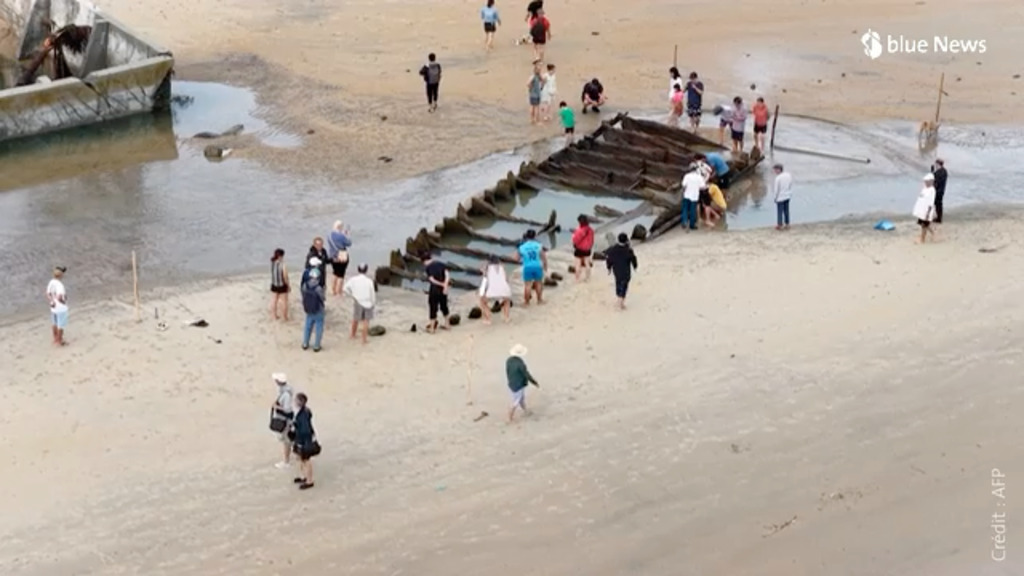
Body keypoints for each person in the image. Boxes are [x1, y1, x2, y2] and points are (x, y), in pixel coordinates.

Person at [291, 392, 319, 490]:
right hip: (302, 440)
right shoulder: (304, 412)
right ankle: (304, 476)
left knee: (306, 460)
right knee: (301, 459)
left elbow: (305, 430)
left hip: (304, 441)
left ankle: (309, 480)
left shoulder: (302, 415)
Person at [343, 263, 376, 344]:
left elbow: (345, 288)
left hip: (358, 301)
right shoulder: (369, 281)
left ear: (358, 269)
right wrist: (373, 303)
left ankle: (352, 335)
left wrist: (352, 294)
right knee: (366, 321)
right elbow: (372, 293)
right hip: (367, 301)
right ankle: (364, 339)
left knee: (355, 319)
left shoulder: (353, 279)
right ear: (366, 270)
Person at [505, 344, 539, 423]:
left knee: (521, 398)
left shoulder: (509, 360)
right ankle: (509, 416)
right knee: (516, 400)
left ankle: (526, 411)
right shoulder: (520, 363)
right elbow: (526, 374)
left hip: (511, 383)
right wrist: (534, 382)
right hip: (519, 384)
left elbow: (507, 371)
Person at [604, 233, 638, 309]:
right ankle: (620, 303)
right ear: (626, 240)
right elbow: (633, 259)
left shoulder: (613, 249)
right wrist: (635, 267)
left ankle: (619, 299)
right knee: (624, 286)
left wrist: (609, 268)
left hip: (616, 271)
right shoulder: (628, 250)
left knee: (618, 283)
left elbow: (609, 259)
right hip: (625, 272)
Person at [515, 229, 547, 305]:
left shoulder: (522, 247)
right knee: (539, 283)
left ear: (526, 236)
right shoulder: (539, 245)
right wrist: (545, 265)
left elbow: (516, 258)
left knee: (527, 285)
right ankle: (539, 300)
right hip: (537, 266)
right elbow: (543, 257)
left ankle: (526, 302)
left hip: (527, 267)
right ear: (535, 236)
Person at [270, 373, 295, 469]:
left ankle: (286, 461)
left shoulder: (285, 394)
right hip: (287, 420)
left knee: (286, 441)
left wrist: (277, 407)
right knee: (289, 440)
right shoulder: (285, 391)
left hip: (285, 421)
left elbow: (287, 409)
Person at [479, 256, 512, 324]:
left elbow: (485, 281)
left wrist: (482, 293)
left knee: (483, 302)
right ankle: (506, 317)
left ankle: (488, 319)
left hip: (492, 291)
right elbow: (507, 280)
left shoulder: (487, 268)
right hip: (505, 290)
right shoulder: (502, 268)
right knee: (506, 301)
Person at [300, 264, 326, 352]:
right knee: (319, 326)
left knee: (307, 326)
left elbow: (303, 294)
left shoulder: (305, 285)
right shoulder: (318, 288)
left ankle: (305, 343)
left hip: (308, 308)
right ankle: (316, 345)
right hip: (318, 309)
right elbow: (323, 298)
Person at [423, 253, 451, 332]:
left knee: (433, 307)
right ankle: (447, 325)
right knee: (444, 306)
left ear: (424, 261)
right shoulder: (441, 264)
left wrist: (441, 284)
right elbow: (447, 275)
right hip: (443, 290)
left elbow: (432, 280)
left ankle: (432, 328)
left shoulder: (428, 267)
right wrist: (445, 284)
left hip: (434, 290)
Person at [327, 221, 352, 297]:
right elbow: (349, 243)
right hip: (341, 256)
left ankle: (333, 290)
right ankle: (339, 292)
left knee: (335, 273)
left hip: (332, 257)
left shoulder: (329, 235)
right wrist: (347, 235)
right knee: (341, 275)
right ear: (340, 227)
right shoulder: (341, 236)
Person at [46, 266, 68, 346]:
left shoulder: (51, 282)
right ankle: (60, 340)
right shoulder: (60, 285)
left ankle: (55, 338)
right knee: (60, 324)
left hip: (53, 307)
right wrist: (63, 301)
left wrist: (52, 301)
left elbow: (47, 294)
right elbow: (59, 296)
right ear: (61, 275)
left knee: (54, 323)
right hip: (60, 307)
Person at [913, 173, 938, 244]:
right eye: (925, 181)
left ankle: (922, 239)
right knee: (924, 225)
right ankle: (934, 234)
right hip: (922, 210)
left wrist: (928, 213)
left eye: (927, 181)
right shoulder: (924, 188)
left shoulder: (932, 190)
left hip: (927, 211)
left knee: (924, 225)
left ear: (931, 181)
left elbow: (931, 202)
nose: (925, 182)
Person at [571, 214, 595, 281]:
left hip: (579, 249)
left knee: (578, 264)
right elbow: (592, 240)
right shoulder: (591, 230)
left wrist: (574, 242)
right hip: (587, 249)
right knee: (587, 263)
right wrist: (589, 246)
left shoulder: (579, 230)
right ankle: (588, 278)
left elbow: (575, 240)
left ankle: (577, 279)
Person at [270, 248, 290, 321]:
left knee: (274, 300)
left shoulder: (273, 263)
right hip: (282, 284)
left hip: (274, 283)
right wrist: (288, 285)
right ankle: (284, 317)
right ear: (281, 256)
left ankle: (273, 316)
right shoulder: (283, 265)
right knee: (284, 301)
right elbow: (285, 276)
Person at [772, 163, 793, 230]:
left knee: (780, 211)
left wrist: (775, 198)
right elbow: (790, 184)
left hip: (780, 197)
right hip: (787, 195)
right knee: (786, 210)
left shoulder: (778, 178)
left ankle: (779, 224)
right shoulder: (788, 175)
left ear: (778, 170)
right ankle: (787, 224)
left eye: (775, 170)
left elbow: (776, 189)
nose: (774, 171)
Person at [528, 60, 546, 125]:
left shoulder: (534, 76)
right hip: (536, 94)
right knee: (536, 108)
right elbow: (528, 83)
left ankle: (532, 119)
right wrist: (541, 87)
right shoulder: (534, 76)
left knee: (532, 107)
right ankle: (537, 121)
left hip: (532, 94)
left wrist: (530, 90)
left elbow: (543, 81)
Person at [931, 159, 947, 223]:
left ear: (938, 164)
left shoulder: (939, 172)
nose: (935, 166)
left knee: (937, 204)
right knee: (938, 204)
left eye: (936, 164)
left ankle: (938, 218)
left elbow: (934, 179)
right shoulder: (944, 171)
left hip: (938, 190)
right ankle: (939, 217)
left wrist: (932, 172)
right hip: (941, 190)